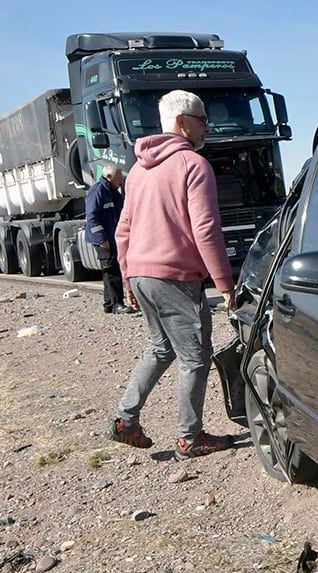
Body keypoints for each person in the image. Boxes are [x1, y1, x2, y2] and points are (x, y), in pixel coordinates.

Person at [107, 89, 236, 459]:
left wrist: (129, 277)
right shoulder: (193, 165)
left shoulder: (137, 172)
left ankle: (125, 419)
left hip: (143, 274)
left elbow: (124, 230)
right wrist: (225, 285)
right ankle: (190, 437)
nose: (207, 128)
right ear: (182, 123)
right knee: (195, 357)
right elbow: (206, 230)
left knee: (162, 348)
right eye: (202, 121)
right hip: (176, 278)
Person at [85, 161, 132, 314]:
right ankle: (116, 304)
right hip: (104, 240)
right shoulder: (98, 191)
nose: (121, 179)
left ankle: (109, 304)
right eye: (119, 177)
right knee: (111, 271)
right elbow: (92, 216)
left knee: (112, 270)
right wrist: (101, 238)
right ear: (109, 176)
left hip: (112, 238)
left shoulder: (113, 192)